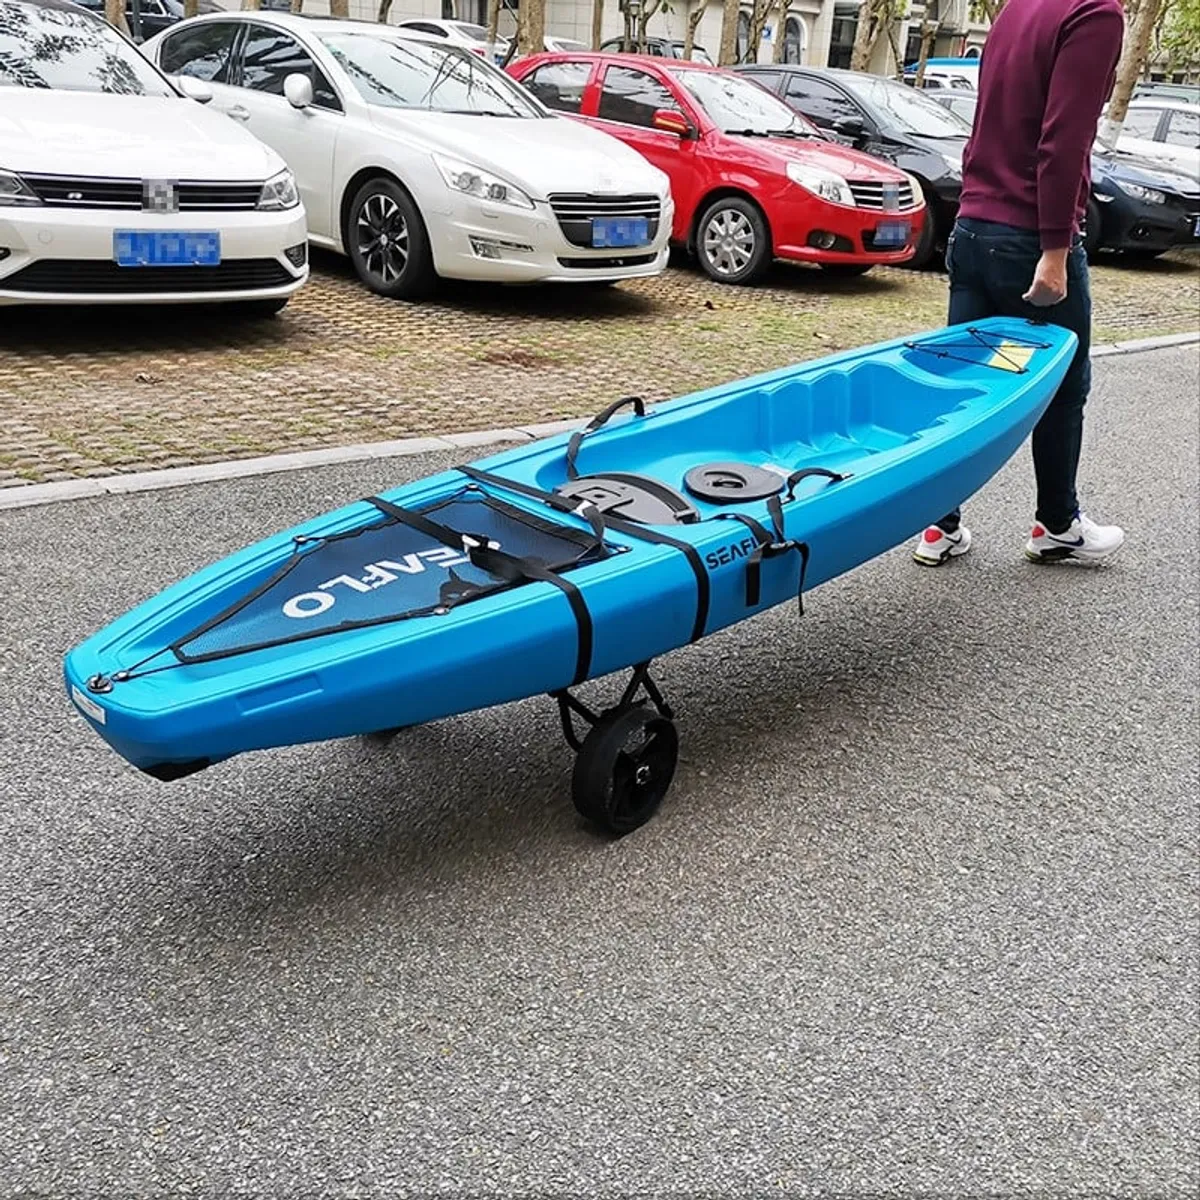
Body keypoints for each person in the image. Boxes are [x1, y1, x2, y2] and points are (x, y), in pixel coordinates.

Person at [912, 0, 1128, 568]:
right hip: (1029, 239)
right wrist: (1056, 251)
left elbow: (985, 124)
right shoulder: (1094, 14)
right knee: (1062, 384)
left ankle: (939, 526)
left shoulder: (1015, 9)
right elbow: (1064, 141)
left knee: (966, 381)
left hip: (974, 229)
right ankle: (1056, 525)